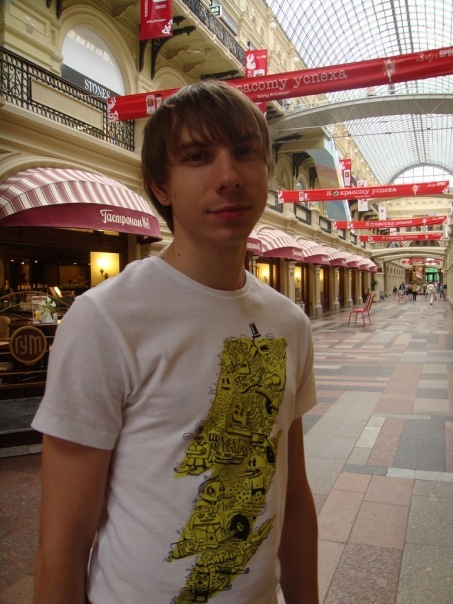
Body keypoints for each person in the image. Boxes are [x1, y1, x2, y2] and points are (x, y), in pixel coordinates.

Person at [32, 81, 319, 604]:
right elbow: (63, 544)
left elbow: (293, 497)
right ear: (161, 186)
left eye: (245, 152)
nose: (228, 176)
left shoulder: (288, 323)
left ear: (266, 172)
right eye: (198, 157)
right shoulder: (105, 319)